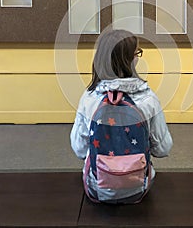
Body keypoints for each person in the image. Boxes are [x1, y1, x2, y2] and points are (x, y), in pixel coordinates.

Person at [70, 29, 173, 204]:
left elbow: (79, 148)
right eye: (137, 53)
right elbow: (163, 149)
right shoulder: (148, 99)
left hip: (97, 188)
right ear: (131, 60)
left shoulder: (90, 98)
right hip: (139, 187)